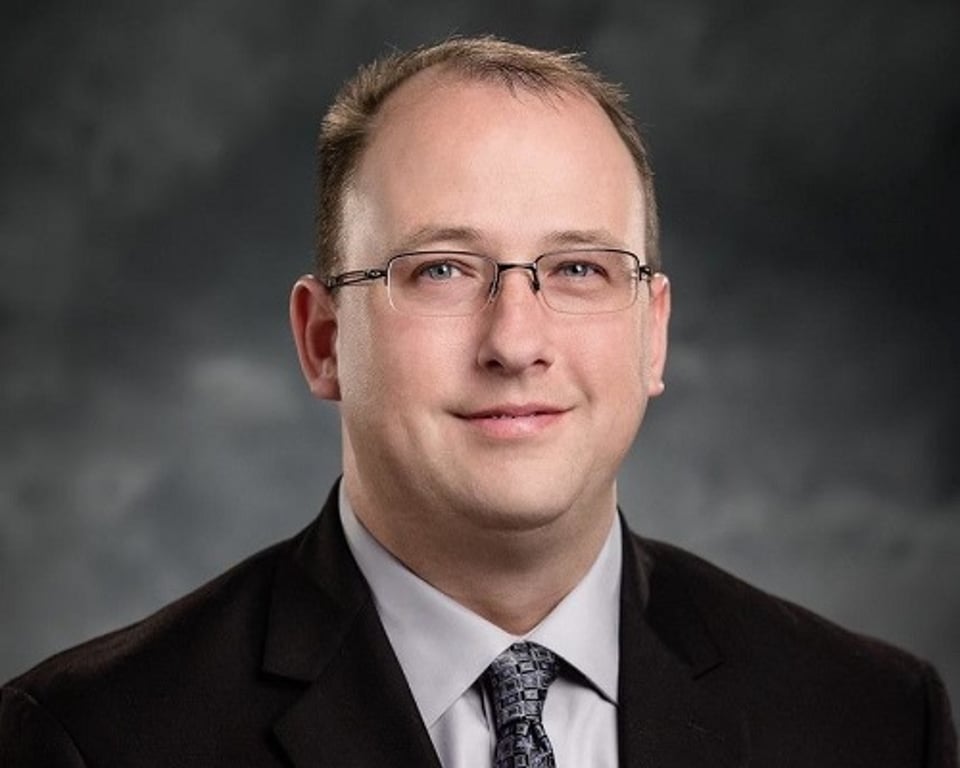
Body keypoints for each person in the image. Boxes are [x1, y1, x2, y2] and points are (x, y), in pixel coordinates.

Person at [0, 35, 956, 768]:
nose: (515, 342)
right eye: (442, 269)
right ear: (324, 340)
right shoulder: (89, 740)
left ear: (652, 332)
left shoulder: (871, 718)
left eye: (578, 267)